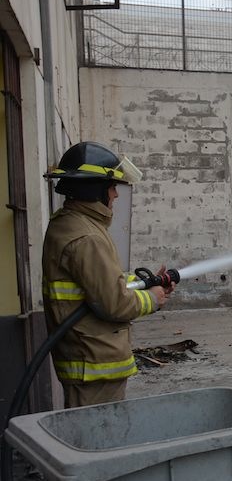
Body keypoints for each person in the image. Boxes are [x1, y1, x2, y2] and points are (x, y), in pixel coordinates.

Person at [41, 142, 175, 408]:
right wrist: (153, 298)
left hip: (90, 360)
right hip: (94, 365)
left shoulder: (74, 224)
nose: (115, 194)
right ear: (95, 189)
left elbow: (100, 284)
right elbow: (114, 303)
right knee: (95, 442)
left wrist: (144, 284)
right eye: (112, 186)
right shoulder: (87, 236)